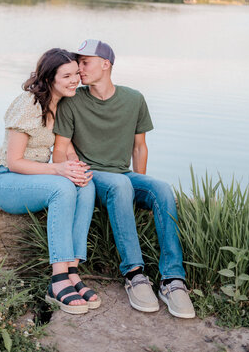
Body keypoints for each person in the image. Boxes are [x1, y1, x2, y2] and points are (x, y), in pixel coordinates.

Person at [53, 39, 195, 319]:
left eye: (85, 62)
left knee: (162, 189)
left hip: (124, 174)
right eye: (78, 63)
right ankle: (134, 273)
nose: (79, 69)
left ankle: (172, 280)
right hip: (94, 177)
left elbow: (139, 147)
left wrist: (139, 187)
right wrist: (75, 173)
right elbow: (59, 152)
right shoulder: (73, 101)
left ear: (106, 64)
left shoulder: (134, 99)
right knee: (119, 185)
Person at [0, 48, 100, 315]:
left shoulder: (62, 105)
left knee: (85, 185)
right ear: (50, 77)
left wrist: (76, 169)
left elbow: (68, 149)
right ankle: (57, 280)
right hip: (8, 181)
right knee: (63, 187)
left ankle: (72, 271)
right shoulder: (28, 104)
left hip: (38, 179)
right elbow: (14, 161)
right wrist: (58, 170)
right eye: (67, 75)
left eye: (76, 73)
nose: (75, 79)